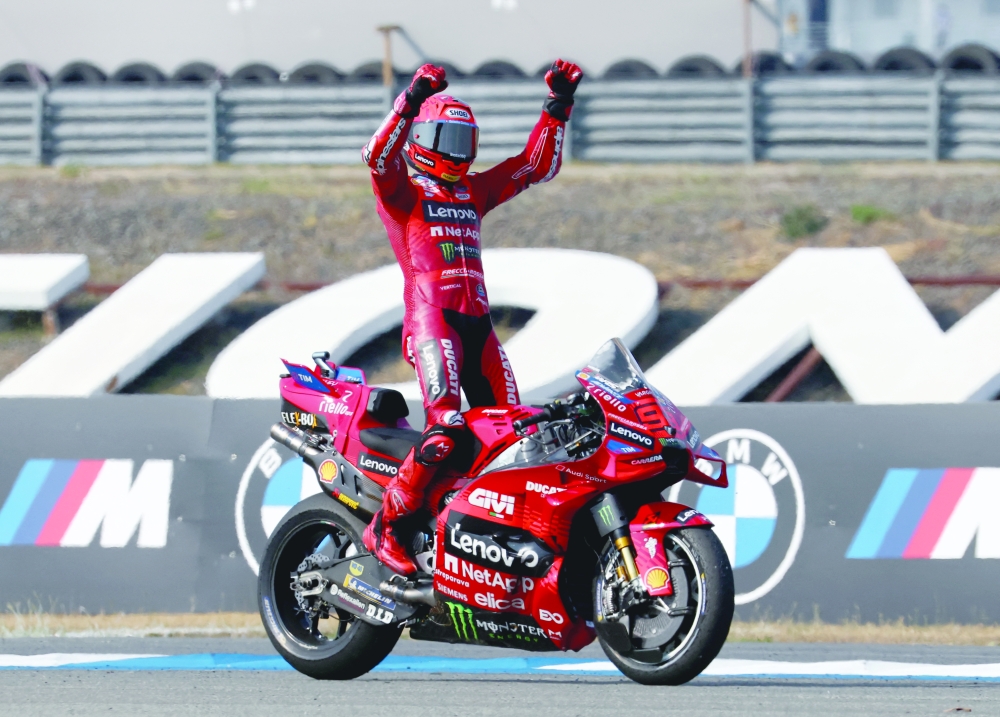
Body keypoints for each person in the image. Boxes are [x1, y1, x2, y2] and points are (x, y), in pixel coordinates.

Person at [361, 59, 584, 575]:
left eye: (466, 142)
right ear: (423, 136)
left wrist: (558, 106)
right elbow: (375, 158)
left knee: (515, 439)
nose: (457, 153)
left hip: (478, 328)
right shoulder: (403, 194)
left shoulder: (472, 192)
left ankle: (483, 539)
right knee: (443, 431)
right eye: (447, 139)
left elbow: (535, 166)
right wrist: (410, 98)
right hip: (431, 322)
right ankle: (387, 526)